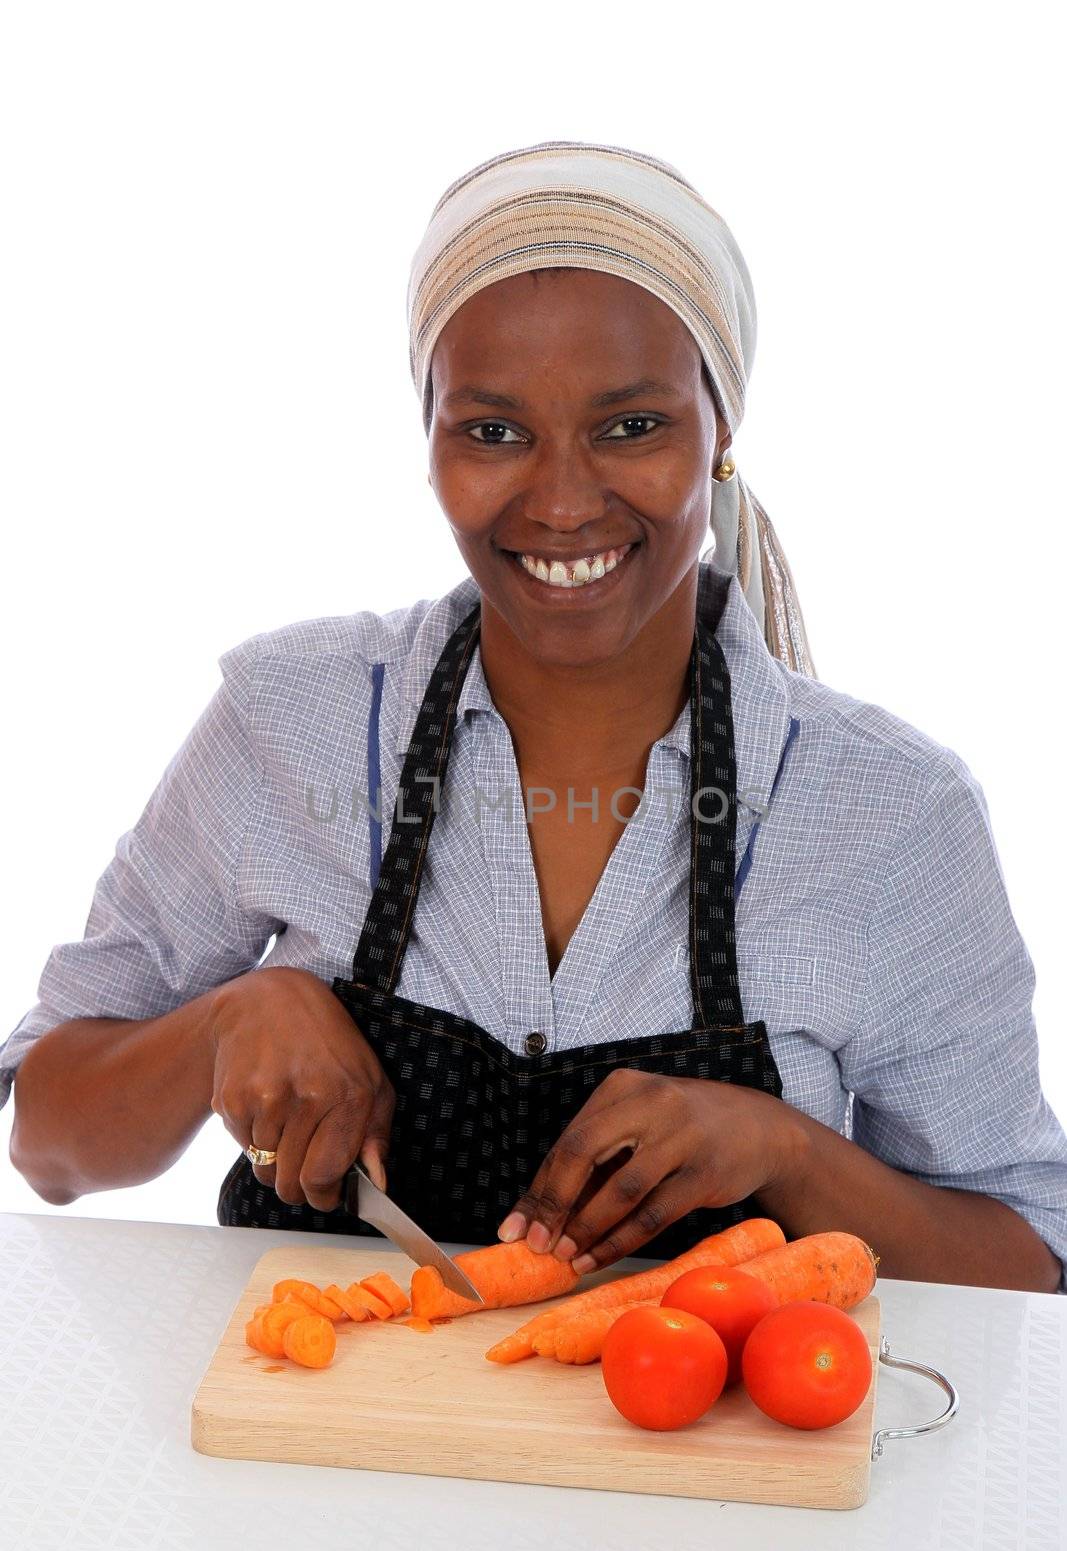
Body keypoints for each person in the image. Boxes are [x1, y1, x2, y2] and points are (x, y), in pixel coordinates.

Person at [4, 140, 1065, 1292]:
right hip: (303, 1461)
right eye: (493, 430)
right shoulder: (287, 720)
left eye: (630, 426)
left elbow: (1027, 1259)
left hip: (705, 1477)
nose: (561, 501)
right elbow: (49, 1143)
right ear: (428, 440)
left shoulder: (888, 810)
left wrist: (787, 1153)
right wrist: (220, 1025)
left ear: (719, 431)